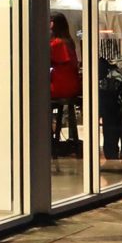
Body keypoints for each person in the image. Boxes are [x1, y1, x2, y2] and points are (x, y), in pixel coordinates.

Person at [48, 13, 81, 149]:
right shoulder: (68, 41)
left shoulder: (57, 43)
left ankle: (47, 139)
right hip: (72, 85)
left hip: (60, 86)